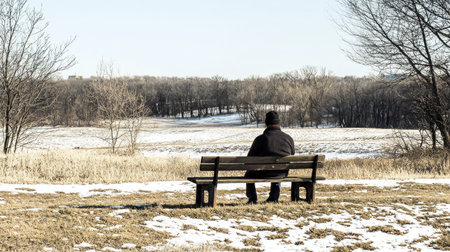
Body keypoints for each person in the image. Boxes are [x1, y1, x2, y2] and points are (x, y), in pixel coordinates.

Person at [245, 111, 295, 204]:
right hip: (281, 172)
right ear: (278, 123)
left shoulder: (260, 139)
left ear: (267, 123)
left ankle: (252, 198)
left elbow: (249, 160)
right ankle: (273, 197)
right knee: (278, 171)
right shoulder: (288, 139)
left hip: (262, 172)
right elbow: (292, 155)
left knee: (248, 174)